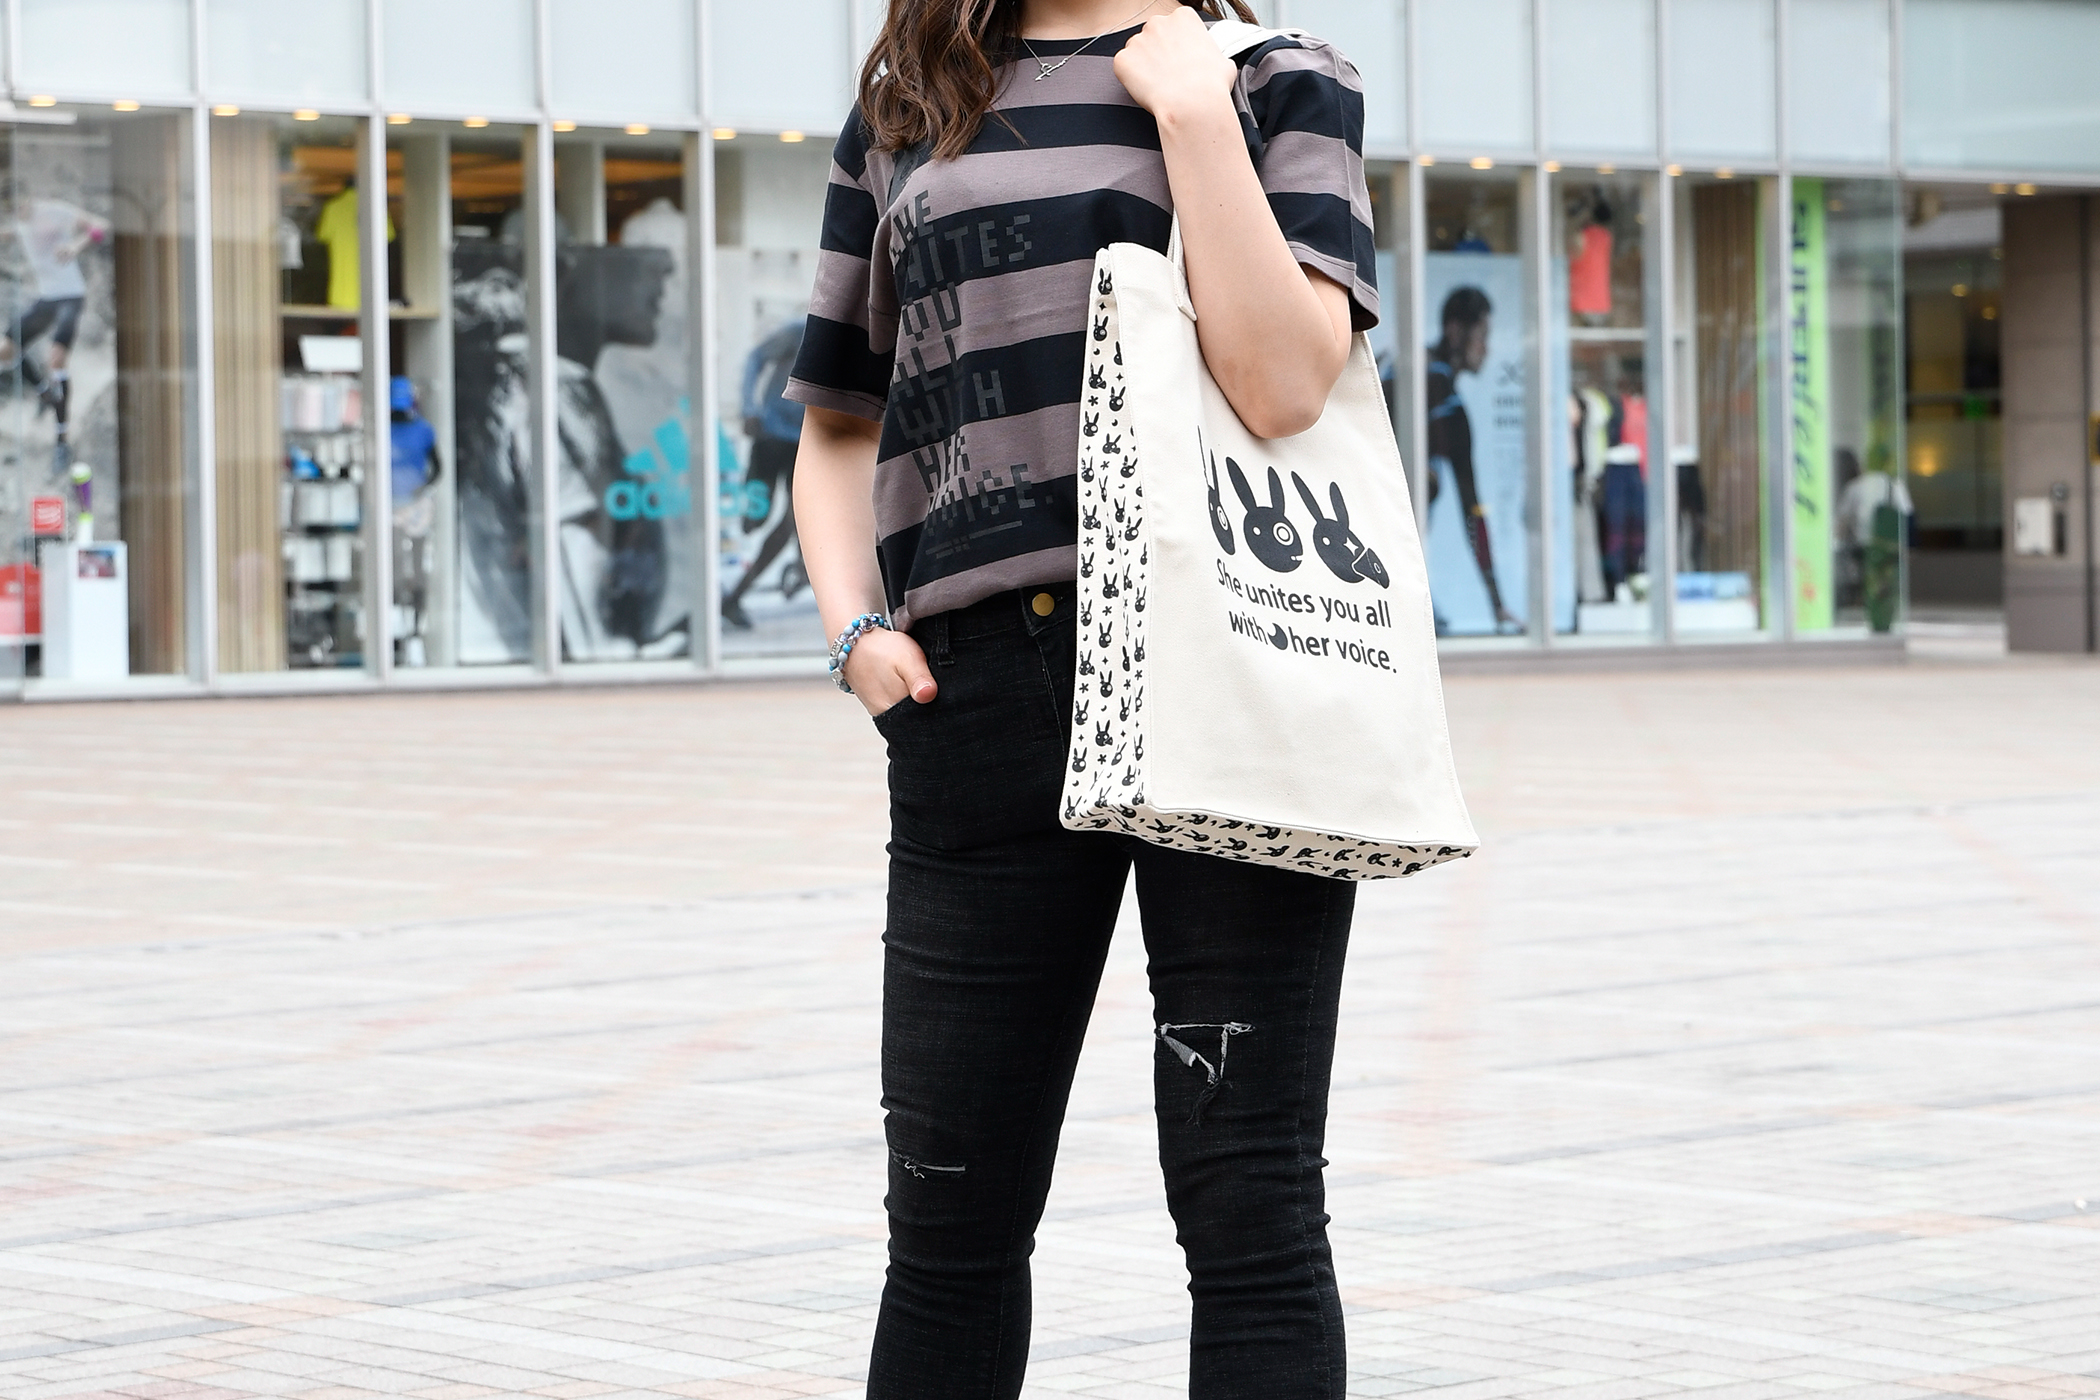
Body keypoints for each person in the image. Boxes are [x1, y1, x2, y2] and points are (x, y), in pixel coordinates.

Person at [783, 2, 1375, 1396]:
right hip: (976, 691)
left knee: (1251, 1213)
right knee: (947, 1223)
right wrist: (855, 632)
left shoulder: (1275, 84)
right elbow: (838, 423)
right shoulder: (910, 104)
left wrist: (1193, 114)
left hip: (1225, 668)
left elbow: (1287, 384)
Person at [1425, 286, 1517, 632]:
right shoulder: (1444, 401)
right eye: (1481, 336)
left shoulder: (1402, 363)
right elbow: (1472, 513)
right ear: (1455, 331)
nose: (1486, 349)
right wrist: (1497, 603)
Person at [2, 196, 110, 453]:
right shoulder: (18, 225)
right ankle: (44, 394)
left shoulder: (52, 212)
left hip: (70, 296)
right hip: (46, 299)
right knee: (6, 349)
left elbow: (101, 225)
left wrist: (76, 245)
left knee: (56, 360)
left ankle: (62, 441)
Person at [721, 321, 807, 629]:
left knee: (793, 523)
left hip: (805, 444)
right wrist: (749, 408)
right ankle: (719, 587)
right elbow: (756, 358)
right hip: (771, 435)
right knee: (754, 519)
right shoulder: (800, 331)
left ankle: (734, 597)